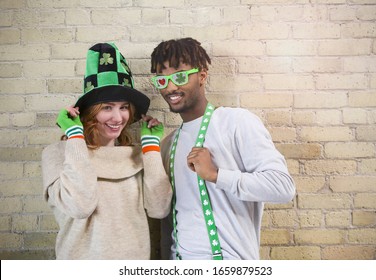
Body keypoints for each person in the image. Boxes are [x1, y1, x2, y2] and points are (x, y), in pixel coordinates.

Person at [150, 37, 295, 260]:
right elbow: (170, 221)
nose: (170, 87)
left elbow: (282, 187)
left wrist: (216, 175)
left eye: (179, 76)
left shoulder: (236, 122)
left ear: (202, 75)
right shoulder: (168, 143)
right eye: (162, 80)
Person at [41, 42, 172, 259]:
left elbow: (159, 208)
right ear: (90, 112)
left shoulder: (137, 155)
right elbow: (80, 206)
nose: (118, 118)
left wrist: (150, 148)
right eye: (107, 107)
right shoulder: (57, 154)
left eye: (123, 108)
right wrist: (76, 136)